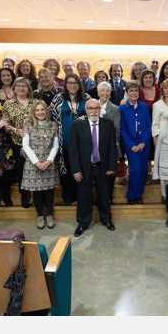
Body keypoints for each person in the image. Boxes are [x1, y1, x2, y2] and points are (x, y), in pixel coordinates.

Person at [70, 99, 117, 237]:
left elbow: (112, 148)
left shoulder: (108, 124)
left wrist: (112, 166)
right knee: (84, 196)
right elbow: (73, 150)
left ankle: (106, 219)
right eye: (90, 108)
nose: (93, 111)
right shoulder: (77, 125)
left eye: (96, 108)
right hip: (85, 168)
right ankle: (83, 223)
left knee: (104, 195)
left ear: (100, 109)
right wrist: (76, 170)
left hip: (102, 167)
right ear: (86, 110)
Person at [49, 73, 91, 205]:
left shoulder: (86, 98)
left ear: (79, 85)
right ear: (65, 85)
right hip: (64, 141)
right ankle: (69, 198)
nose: (72, 85)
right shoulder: (58, 98)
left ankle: (81, 198)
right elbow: (50, 116)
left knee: (82, 170)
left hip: (83, 142)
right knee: (67, 170)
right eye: (69, 83)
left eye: (75, 83)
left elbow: (94, 114)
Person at [22, 100, 60, 230]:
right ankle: (39, 215)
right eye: (37, 110)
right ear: (34, 112)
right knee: (37, 192)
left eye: (42, 109)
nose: (40, 112)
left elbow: (55, 145)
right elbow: (25, 146)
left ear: (47, 111)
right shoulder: (28, 126)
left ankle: (49, 215)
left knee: (49, 191)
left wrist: (49, 160)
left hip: (49, 162)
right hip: (34, 163)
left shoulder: (53, 125)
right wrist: (36, 162)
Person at [3, 77, 34, 208]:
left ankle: (38, 194)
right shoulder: (8, 104)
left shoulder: (36, 102)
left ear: (28, 89)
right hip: (18, 143)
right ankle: (24, 194)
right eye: (18, 86)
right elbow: (5, 124)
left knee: (35, 169)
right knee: (22, 170)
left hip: (35, 143)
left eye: (24, 86)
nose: (21, 88)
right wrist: (17, 131)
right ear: (14, 88)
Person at [120, 81, 151, 204]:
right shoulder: (122, 108)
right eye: (131, 91)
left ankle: (138, 194)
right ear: (127, 93)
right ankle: (131, 194)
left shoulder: (144, 107)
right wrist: (131, 145)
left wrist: (143, 142)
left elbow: (149, 126)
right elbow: (122, 129)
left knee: (143, 169)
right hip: (131, 145)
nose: (134, 93)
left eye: (136, 90)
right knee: (135, 170)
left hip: (143, 144)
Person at [97, 81, 121, 203]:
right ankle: (99, 198)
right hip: (94, 148)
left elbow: (117, 130)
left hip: (110, 147)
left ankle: (108, 198)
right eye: (102, 90)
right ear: (98, 92)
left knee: (109, 174)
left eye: (107, 91)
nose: (105, 93)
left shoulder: (115, 109)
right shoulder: (92, 106)